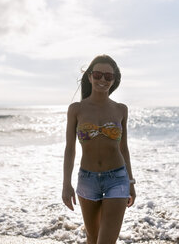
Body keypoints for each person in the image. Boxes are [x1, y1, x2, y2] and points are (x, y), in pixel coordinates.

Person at [62, 54, 136, 244]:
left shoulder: (121, 109)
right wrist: (66, 184)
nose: (102, 79)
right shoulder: (76, 109)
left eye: (108, 76)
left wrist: (131, 181)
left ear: (114, 80)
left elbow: (124, 148)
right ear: (89, 77)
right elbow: (70, 149)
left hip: (117, 179)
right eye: (97, 74)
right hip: (87, 179)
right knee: (92, 238)